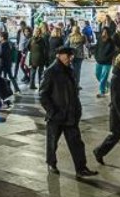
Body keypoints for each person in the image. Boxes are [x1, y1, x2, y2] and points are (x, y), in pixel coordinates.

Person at [39, 46, 98, 177]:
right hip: (56, 115)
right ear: (59, 55)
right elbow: (43, 95)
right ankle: (51, 163)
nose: (70, 58)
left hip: (71, 113)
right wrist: (52, 111)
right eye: (67, 55)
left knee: (76, 142)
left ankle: (81, 168)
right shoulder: (51, 71)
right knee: (52, 142)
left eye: (71, 56)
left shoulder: (69, 70)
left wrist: (77, 108)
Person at [93, 29, 117, 98]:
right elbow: (96, 49)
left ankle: (102, 91)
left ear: (108, 34)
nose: (104, 34)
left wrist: (108, 58)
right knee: (98, 75)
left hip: (107, 63)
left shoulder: (111, 42)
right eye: (103, 32)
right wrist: (96, 57)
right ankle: (109, 85)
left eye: (106, 32)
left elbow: (113, 52)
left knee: (103, 77)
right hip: (99, 61)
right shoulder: (99, 40)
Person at [29, 24, 49, 89]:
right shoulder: (42, 40)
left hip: (33, 57)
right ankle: (41, 85)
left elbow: (27, 47)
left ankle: (31, 85)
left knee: (32, 72)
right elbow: (45, 48)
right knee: (40, 72)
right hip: (41, 57)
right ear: (40, 32)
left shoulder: (31, 39)